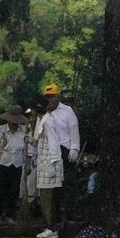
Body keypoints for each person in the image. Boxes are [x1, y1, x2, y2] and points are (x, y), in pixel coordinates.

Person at [43, 83, 80, 224]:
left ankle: (72, 213)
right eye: (48, 97)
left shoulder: (67, 111)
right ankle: (56, 215)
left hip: (66, 148)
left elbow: (73, 128)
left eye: (52, 96)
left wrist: (75, 147)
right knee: (54, 186)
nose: (50, 99)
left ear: (58, 96)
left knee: (69, 183)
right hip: (51, 151)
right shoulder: (44, 112)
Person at [31, 95, 63, 238]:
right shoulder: (43, 120)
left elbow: (54, 142)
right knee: (45, 195)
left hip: (50, 163)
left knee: (47, 197)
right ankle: (50, 225)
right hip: (45, 162)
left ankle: (52, 228)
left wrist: (53, 161)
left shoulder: (48, 122)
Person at [0, 105, 28, 226]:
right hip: (2, 162)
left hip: (17, 163)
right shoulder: (1, 130)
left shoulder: (23, 131)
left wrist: (26, 164)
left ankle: (10, 215)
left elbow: (26, 148)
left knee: (14, 191)